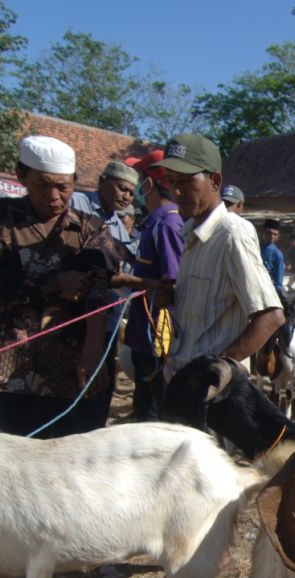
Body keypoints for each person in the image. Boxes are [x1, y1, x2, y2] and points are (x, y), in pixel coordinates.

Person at [0, 135, 122, 437]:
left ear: (74, 182)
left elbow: (99, 288)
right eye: (43, 185)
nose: (53, 195)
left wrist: (93, 352)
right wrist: (52, 284)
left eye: (63, 187)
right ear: (21, 175)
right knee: (19, 458)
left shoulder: (91, 228)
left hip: (77, 366)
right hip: (15, 369)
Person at [155, 134, 283, 379]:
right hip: (179, 379)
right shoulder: (191, 233)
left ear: (214, 180)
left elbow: (271, 316)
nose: (177, 191)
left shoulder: (232, 233)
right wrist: (173, 296)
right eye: (171, 181)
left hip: (210, 395)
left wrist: (215, 370)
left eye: (185, 181)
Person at [114, 149, 183, 420]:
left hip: (158, 335)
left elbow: (172, 285)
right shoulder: (156, 222)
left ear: (150, 182)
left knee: (155, 413)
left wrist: (127, 280)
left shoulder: (167, 223)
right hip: (144, 331)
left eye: (140, 178)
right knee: (142, 408)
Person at [70, 160, 138, 268]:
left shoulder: (120, 229)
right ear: (102, 181)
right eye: (122, 189)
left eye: (131, 194)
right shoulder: (74, 202)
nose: (126, 197)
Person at [260, 218, 285, 293]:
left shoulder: (277, 254)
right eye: (269, 233)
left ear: (278, 236)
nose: (272, 236)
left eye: (275, 234)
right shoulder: (253, 247)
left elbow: (278, 283)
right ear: (263, 232)